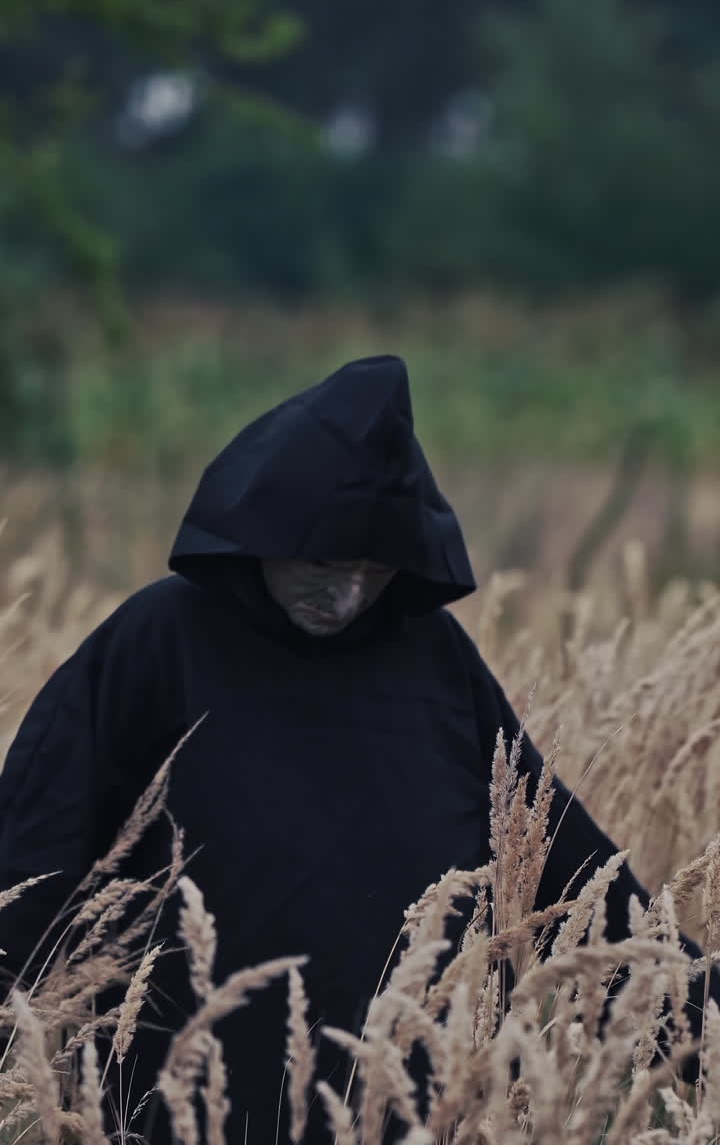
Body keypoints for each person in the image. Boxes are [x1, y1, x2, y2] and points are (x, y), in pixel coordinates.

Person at [0, 355, 712, 1143]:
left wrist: (701, 1025)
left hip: (403, 1106)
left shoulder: (431, 658)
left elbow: (564, 865)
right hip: (180, 1102)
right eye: (324, 564)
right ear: (263, 534)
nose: (345, 597)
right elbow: (34, 855)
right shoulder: (157, 645)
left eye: (373, 571)